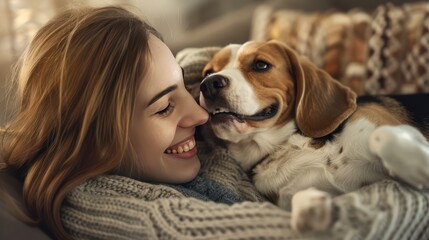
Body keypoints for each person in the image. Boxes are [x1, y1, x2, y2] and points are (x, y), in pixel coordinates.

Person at [0, 6, 293, 239]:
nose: (201, 115)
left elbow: (196, 62)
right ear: (97, 141)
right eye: (165, 108)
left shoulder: (164, 154)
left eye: (183, 84)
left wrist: (182, 78)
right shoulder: (110, 211)